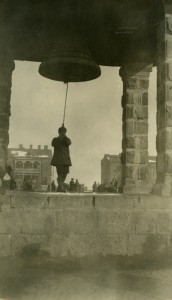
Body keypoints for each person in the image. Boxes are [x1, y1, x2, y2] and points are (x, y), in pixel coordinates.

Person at [51, 125, 72, 192]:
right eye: (62, 132)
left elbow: (69, 142)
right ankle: (60, 187)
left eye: (64, 132)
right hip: (58, 160)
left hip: (65, 160)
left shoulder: (66, 139)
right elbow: (53, 144)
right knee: (60, 174)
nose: (63, 133)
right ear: (59, 132)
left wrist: (64, 136)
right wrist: (60, 137)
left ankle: (60, 186)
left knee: (65, 174)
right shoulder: (55, 139)